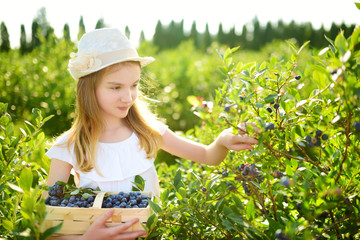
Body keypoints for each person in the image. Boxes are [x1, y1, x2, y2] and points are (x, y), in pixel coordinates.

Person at [44, 28, 258, 239]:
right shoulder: (69, 146)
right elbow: (47, 224)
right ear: (89, 89)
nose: (128, 97)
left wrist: (223, 140)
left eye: (134, 85)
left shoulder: (148, 131)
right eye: (115, 87)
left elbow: (207, 156)